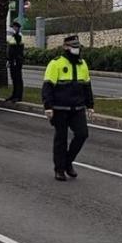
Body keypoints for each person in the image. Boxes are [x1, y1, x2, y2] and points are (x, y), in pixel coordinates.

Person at [42, 34, 93, 181]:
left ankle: (68, 162)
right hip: (60, 108)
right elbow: (48, 87)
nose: (76, 49)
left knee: (82, 134)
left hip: (77, 108)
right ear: (65, 47)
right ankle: (59, 169)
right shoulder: (56, 63)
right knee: (61, 139)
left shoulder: (82, 64)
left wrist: (90, 105)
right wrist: (48, 106)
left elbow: (87, 86)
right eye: (73, 46)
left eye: (77, 47)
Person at [5, 20, 25, 102]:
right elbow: (10, 49)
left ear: (17, 28)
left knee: (18, 78)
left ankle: (18, 96)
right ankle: (14, 95)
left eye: (14, 27)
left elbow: (18, 49)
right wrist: (8, 60)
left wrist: (15, 60)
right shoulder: (13, 36)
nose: (12, 28)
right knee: (14, 78)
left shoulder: (19, 36)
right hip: (12, 60)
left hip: (17, 60)